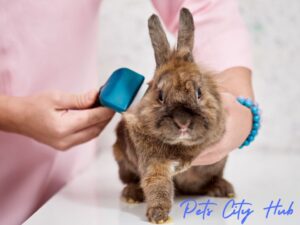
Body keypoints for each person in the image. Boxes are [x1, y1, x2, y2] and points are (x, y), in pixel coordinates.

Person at [0, 0, 254, 224]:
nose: (182, 121)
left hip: (68, 179)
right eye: (161, 96)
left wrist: (243, 109)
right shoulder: (141, 124)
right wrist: (13, 113)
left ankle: (209, 180)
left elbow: (206, 6)